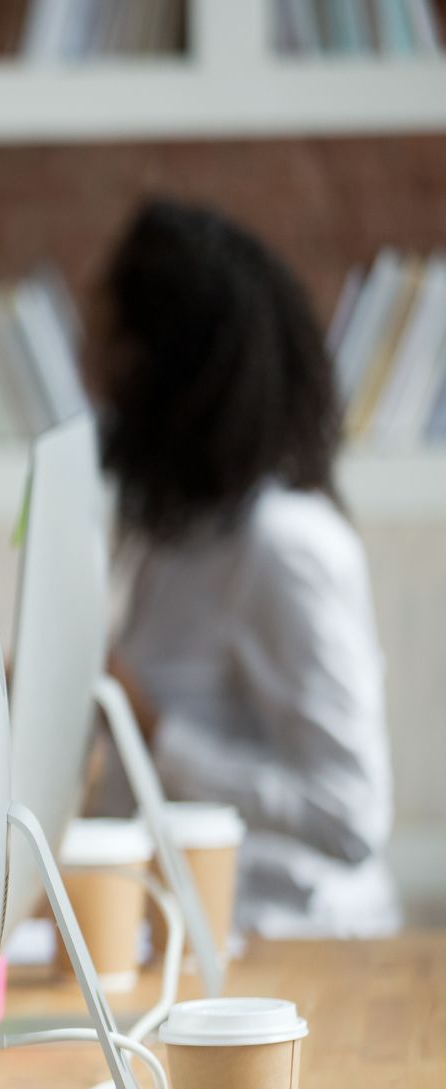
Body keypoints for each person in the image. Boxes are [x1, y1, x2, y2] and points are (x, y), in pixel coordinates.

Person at [91, 198, 400, 939]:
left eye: (110, 342)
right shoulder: (179, 536)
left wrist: (151, 724)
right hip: (186, 931)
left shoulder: (284, 545)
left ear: (165, 371)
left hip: (299, 944)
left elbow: (350, 818)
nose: (90, 365)